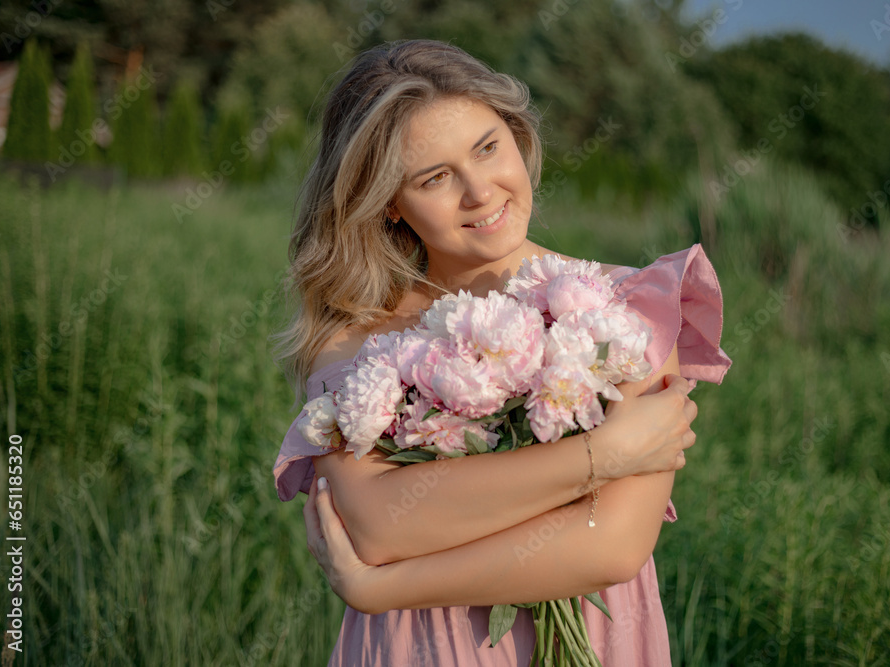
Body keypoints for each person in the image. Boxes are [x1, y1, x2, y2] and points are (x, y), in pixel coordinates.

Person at [272, 39, 731, 666]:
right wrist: (606, 455)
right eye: (434, 178)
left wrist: (378, 588)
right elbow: (379, 526)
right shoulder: (356, 343)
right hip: (422, 649)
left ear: (517, 136)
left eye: (488, 147)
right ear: (389, 206)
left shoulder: (623, 307)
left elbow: (613, 547)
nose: (480, 192)